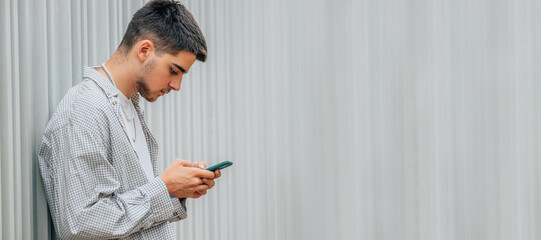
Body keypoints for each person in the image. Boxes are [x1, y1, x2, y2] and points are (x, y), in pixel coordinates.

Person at [38, 0, 220, 239]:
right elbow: (81, 225)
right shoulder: (85, 110)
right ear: (144, 50)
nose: (176, 86)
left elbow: (131, 215)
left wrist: (176, 190)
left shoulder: (129, 108)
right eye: (174, 71)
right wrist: (164, 188)